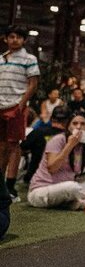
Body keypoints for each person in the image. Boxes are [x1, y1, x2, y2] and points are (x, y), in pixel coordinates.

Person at [27, 109, 85, 209]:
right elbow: (52, 168)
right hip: (41, 191)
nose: (78, 127)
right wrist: (69, 145)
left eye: (83, 124)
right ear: (69, 126)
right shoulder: (58, 140)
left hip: (68, 190)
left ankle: (77, 202)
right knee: (72, 187)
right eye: (75, 123)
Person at [1, 26, 39, 205]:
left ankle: (10, 185)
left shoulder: (29, 59)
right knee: (1, 145)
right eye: (11, 36)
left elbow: (33, 84)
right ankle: (1, 184)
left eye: (18, 37)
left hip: (16, 106)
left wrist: (21, 105)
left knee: (14, 145)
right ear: (5, 39)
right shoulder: (0, 59)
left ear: (24, 40)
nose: (14, 40)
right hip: (0, 106)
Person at [20, 104, 68, 184]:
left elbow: (21, 149)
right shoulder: (72, 137)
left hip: (35, 178)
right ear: (69, 120)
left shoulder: (38, 132)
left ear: (51, 119)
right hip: (63, 179)